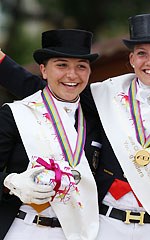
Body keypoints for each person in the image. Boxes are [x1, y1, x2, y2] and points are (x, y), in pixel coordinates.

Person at [0, 14, 150, 240]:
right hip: (105, 224)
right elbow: (48, 92)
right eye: (142, 54)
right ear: (132, 58)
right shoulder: (105, 96)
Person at [0, 29, 102, 240]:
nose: (72, 75)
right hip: (23, 228)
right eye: (62, 65)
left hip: (78, 233)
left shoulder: (96, 119)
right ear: (44, 70)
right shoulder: (15, 114)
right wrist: (10, 183)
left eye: (81, 67)